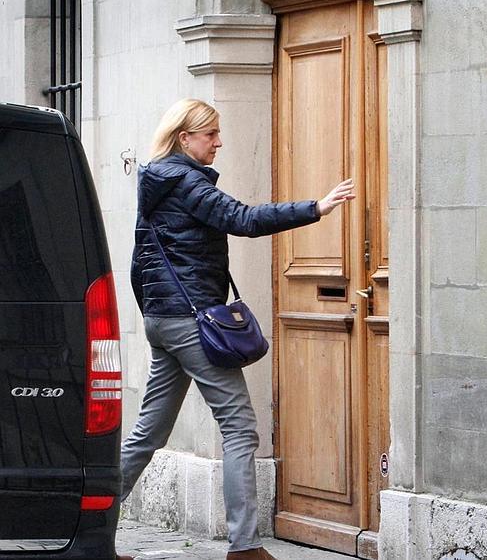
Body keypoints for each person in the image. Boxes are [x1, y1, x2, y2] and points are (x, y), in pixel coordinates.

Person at [120, 98, 355, 560]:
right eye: (210, 134)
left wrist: (155, 314)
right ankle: (246, 546)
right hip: (188, 322)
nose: (219, 142)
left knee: (148, 433)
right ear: (185, 138)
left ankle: (87, 531)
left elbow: (138, 260)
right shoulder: (186, 181)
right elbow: (243, 219)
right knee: (241, 428)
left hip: (163, 320)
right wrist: (316, 208)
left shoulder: (156, 182)